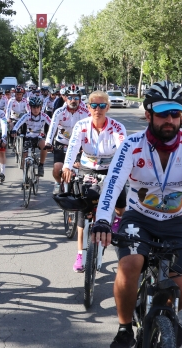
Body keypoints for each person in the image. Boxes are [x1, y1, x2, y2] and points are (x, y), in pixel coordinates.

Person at [91, 80, 182, 348]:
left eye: (175, 114)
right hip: (138, 218)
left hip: (177, 221)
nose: (170, 121)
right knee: (130, 266)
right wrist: (103, 220)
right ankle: (125, 327)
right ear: (148, 115)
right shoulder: (132, 144)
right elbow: (113, 184)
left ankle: (162, 317)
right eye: (163, 114)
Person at [61, 90, 127, 272]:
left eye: (102, 105)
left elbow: (123, 149)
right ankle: (80, 255)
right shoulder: (81, 125)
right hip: (87, 168)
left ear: (108, 107)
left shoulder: (117, 127)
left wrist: (125, 171)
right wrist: (67, 167)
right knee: (84, 211)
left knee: (121, 203)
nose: (98, 109)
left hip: (110, 168)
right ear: (88, 107)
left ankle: (117, 219)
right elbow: (73, 146)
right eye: (94, 106)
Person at [45, 84, 91, 193]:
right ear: (65, 98)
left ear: (80, 98)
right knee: (57, 169)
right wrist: (48, 142)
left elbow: (91, 130)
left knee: (81, 170)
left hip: (79, 145)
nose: (73, 100)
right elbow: (52, 128)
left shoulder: (86, 113)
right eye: (70, 97)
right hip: (61, 142)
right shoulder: (59, 112)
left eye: (76, 97)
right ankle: (57, 183)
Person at [10, 96, 50, 177]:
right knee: (24, 159)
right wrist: (14, 130)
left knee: (44, 145)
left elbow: (52, 124)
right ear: (30, 108)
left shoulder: (44, 116)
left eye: (37, 107)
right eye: (33, 107)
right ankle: (25, 177)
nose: (35, 109)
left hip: (39, 137)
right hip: (29, 138)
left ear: (40, 107)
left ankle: (41, 165)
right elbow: (18, 123)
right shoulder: (26, 115)